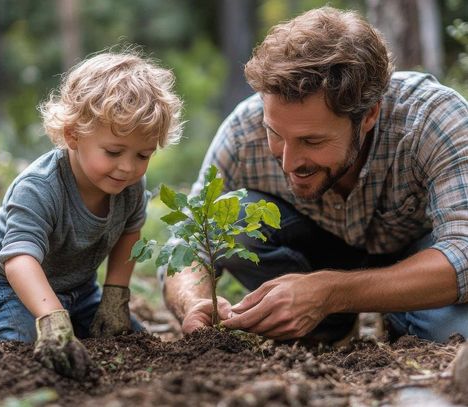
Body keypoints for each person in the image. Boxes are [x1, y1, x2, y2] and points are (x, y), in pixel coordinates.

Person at [161, 6, 468, 345]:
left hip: (414, 262)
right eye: (275, 134)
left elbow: (464, 253)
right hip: (313, 251)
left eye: (312, 140)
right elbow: (188, 241)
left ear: (368, 115)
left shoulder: (433, 119)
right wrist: (194, 302)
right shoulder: (241, 131)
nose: (290, 162)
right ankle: (325, 328)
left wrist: (331, 292)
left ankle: (396, 314)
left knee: (451, 332)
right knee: (229, 214)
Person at [0, 50, 183, 379]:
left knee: (130, 340)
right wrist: (52, 319)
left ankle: (71, 318)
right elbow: (19, 259)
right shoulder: (39, 188)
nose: (128, 167)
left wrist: (114, 296)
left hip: (79, 290)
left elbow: (129, 233)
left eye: (143, 155)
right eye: (113, 151)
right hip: (5, 285)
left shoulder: (130, 186)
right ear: (72, 135)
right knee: (25, 345)